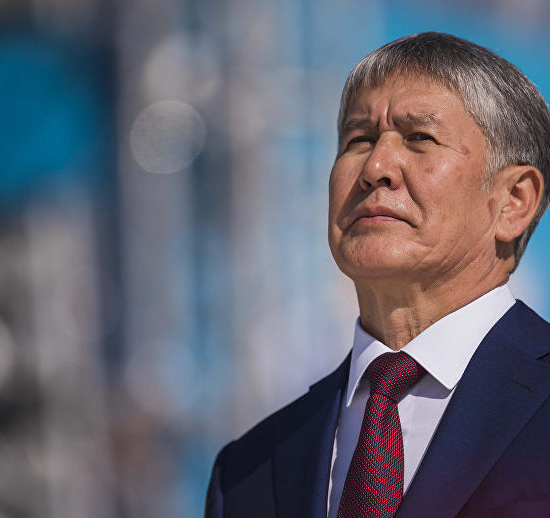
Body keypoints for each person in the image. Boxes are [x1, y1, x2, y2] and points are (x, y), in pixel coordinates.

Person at [204, 32, 550, 518]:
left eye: (419, 138)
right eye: (358, 140)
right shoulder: (247, 470)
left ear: (513, 201)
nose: (375, 167)